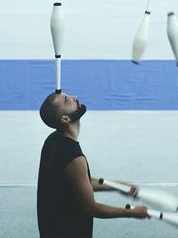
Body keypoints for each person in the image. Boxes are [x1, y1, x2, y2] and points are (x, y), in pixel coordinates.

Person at [37, 91, 149, 238]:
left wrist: (118, 186)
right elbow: (91, 208)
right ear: (65, 118)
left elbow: (80, 181)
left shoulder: (52, 141)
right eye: (67, 101)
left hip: (50, 230)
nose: (74, 97)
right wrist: (132, 212)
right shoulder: (74, 158)